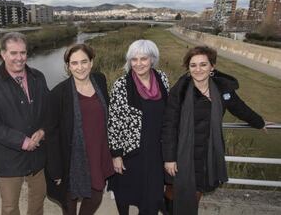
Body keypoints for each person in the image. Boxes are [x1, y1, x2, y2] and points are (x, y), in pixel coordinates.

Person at [162, 46, 268, 215]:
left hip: (207, 154)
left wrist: (259, 122)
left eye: (203, 65)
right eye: (193, 65)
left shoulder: (222, 89)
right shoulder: (179, 91)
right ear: (188, 68)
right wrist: (169, 158)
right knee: (172, 192)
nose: (198, 69)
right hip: (181, 154)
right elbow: (169, 125)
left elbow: (240, 108)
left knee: (196, 193)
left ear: (212, 67)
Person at [0, 32, 49, 215]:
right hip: (7, 157)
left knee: (38, 199)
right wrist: (22, 141)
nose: (19, 58)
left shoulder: (38, 77)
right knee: (10, 207)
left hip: (37, 154)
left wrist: (43, 130)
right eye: (13, 53)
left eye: (23, 53)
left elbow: (49, 111)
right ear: (3, 54)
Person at [46, 43, 114, 215]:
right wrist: (55, 170)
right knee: (69, 205)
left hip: (98, 153)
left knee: (96, 197)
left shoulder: (100, 80)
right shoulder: (58, 94)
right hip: (71, 160)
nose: (80, 67)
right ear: (68, 66)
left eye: (84, 62)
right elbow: (52, 135)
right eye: (74, 63)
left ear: (91, 62)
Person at [107, 39, 169, 215]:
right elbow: (114, 122)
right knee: (126, 193)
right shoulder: (121, 85)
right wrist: (116, 155)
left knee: (153, 196)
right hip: (132, 152)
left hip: (157, 151)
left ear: (152, 59)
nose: (139, 64)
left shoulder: (162, 78)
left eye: (144, 58)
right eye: (134, 59)